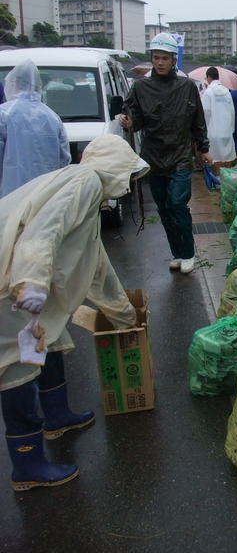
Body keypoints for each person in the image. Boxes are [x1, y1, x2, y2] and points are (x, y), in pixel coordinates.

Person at [0, 134, 146, 491]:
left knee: (47, 337)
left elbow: (96, 266)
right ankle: (28, 465)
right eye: (127, 174)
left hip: (24, 286)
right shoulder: (83, 181)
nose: (128, 185)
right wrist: (30, 282)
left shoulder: (90, 193)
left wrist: (126, 316)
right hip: (12, 287)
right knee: (16, 368)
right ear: (113, 166)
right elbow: (42, 231)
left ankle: (57, 417)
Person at [118, 32, 210, 275]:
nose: (159, 62)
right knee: (164, 208)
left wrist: (204, 149)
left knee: (177, 203)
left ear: (173, 60)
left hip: (180, 156)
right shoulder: (140, 87)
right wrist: (128, 121)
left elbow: (198, 121)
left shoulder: (187, 87)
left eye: (164, 58)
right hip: (153, 157)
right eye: (156, 58)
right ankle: (177, 253)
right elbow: (134, 119)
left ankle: (189, 252)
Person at [0, 60, 70, 197]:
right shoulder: (53, 117)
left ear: (14, 83)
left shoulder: (4, 114)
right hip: (44, 198)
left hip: (10, 196)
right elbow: (64, 161)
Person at [200, 67, 236, 173]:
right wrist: (231, 129)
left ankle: (218, 180)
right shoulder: (227, 91)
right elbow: (232, 111)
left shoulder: (208, 92)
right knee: (227, 156)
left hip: (213, 131)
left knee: (215, 157)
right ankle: (226, 180)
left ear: (209, 77)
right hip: (227, 130)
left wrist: (204, 131)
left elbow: (205, 113)